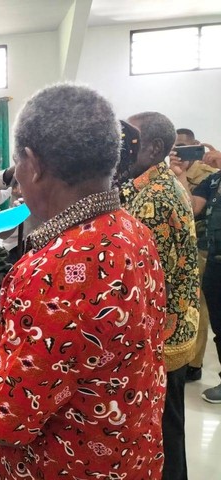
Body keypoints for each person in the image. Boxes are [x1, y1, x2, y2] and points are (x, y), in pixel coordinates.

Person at [0, 83, 167, 479]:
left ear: (33, 164)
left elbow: (3, 422)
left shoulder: (50, 269)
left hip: (61, 465)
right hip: (127, 453)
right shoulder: (133, 233)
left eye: (18, 166)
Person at [119, 111, 199, 480]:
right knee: (167, 425)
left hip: (162, 339)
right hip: (174, 328)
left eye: (129, 138)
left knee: (163, 430)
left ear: (152, 147)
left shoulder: (155, 199)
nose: (122, 145)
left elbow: (142, 283)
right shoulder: (151, 184)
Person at [170, 128, 219, 382]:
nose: (179, 151)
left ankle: (194, 363)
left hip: (205, 249)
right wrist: (179, 175)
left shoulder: (210, 174)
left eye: (184, 146)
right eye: (175, 146)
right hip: (187, 249)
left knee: (201, 308)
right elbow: (189, 208)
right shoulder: (172, 173)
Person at [188, 170, 221, 402]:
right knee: (219, 326)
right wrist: (180, 176)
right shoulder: (213, 180)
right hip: (214, 262)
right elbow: (192, 209)